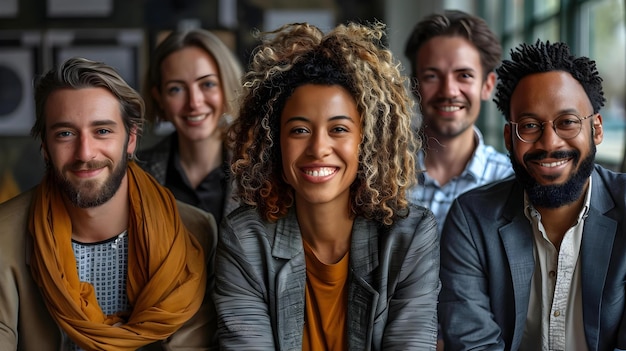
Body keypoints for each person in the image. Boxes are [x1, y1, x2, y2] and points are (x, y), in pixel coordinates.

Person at [213, 22, 440, 350]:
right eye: (300, 130)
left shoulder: (409, 236)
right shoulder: (245, 239)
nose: (318, 148)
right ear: (275, 142)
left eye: (339, 129)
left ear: (368, 141)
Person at [0, 57, 218, 350]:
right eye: (65, 134)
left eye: (102, 131)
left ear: (131, 139)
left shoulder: (195, 231)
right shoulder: (5, 234)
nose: (85, 153)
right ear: (45, 148)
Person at [439, 40, 626, 350]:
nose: (549, 142)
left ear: (596, 130)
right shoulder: (472, 221)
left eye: (567, 122)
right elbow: (473, 346)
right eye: (529, 126)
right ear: (509, 140)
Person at [404, 9, 513, 232]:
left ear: (488, 85)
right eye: (432, 76)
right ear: (414, 84)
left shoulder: (510, 182)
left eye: (464, 75)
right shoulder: (383, 178)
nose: (449, 91)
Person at [138, 28, 243, 225]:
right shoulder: (137, 174)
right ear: (158, 98)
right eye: (176, 89)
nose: (194, 103)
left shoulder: (259, 171)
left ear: (226, 86)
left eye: (207, 84)